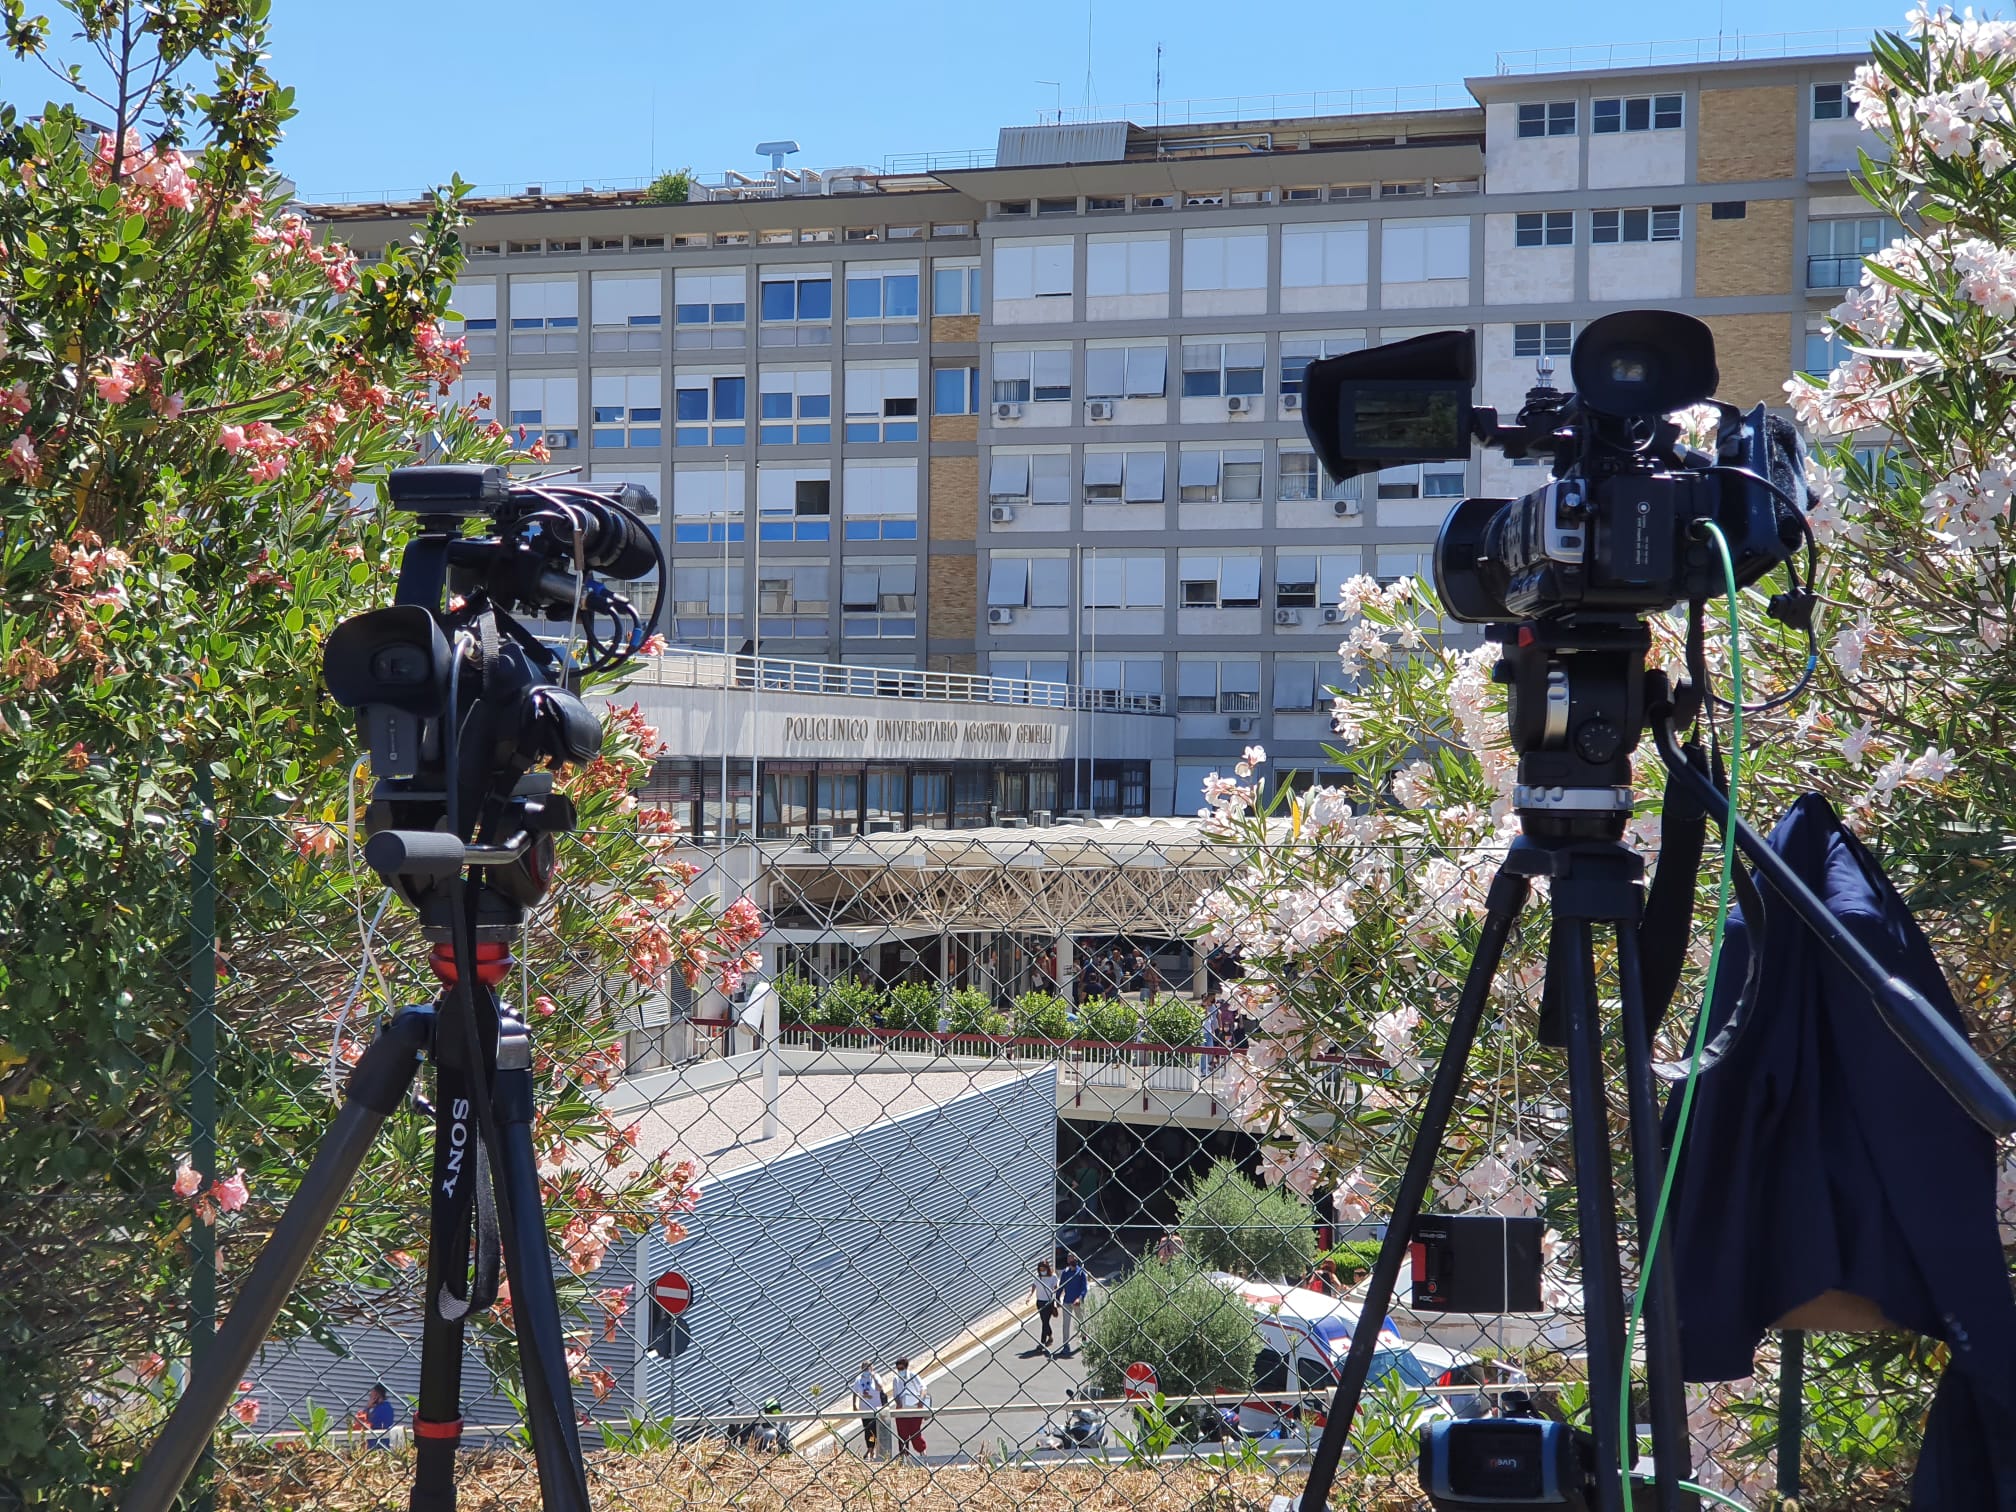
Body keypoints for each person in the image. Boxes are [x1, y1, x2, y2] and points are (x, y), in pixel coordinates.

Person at [889, 1357, 929, 1458]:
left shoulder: (913, 1375)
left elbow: (923, 1388)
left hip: (914, 1408)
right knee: (902, 1434)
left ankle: (922, 1451)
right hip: (902, 1409)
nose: (900, 1371)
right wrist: (898, 1402)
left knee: (915, 1433)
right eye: (898, 1369)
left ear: (906, 1367)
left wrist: (921, 1400)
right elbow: (895, 1394)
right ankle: (904, 1455)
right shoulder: (896, 1379)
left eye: (902, 1368)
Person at [1057, 1253, 1090, 1356]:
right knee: (1065, 1324)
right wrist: (1057, 1298)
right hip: (1067, 1301)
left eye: (1074, 1259)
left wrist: (1079, 1298)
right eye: (1070, 1259)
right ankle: (1066, 1345)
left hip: (1077, 1302)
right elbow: (1061, 1286)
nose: (1072, 1261)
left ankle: (1084, 1339)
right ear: (1067, 1261)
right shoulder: (1065, 1273)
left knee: (1081, 1321)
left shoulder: (1081, 1273)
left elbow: (1084, 1288)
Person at [851, 1360, 885, 1459]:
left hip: (876, 1408)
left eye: (868, 1368)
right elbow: (855, 1392)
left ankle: (874, 1449)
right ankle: (870, 1450)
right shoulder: (858, 1379)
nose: (866, 1370)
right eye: (864, 1368)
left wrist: (873, 1376)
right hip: (865, 1409)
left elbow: (880, 1388)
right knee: (868, 1431)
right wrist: (854, 1404)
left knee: (875, 1430)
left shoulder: (876, 1377)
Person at [1030, 1260, 1060, 1352]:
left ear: (1047, 1268)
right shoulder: (1037, 1277)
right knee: (1044, 1321)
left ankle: (1042, 1342)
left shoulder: (1053, 1277)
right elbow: (1034, 1285)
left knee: (1045, 1321)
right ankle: (1050, 1336)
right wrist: (1030, 1296)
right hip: (1040, 1302)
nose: (1042, 1270)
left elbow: (1056, 1288)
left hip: (1048, 1302)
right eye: (1040, 1269)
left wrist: (1056, 1298)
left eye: (1044, 1269)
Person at [359, 1382, 396, 1449]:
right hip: (384, 1441)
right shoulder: (388, 1406)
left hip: (376, 1442)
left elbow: (366, 1423)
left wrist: (367, 1407)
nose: (370, 1397)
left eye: (371, 1395)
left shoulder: (381, 1409)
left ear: (376, 1395)